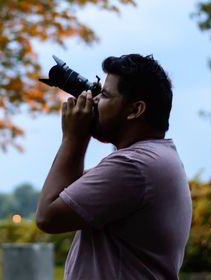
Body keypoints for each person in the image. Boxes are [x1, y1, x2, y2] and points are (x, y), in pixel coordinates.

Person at [36, 54, 192, 280]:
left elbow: (48, 216)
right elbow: (68, 191)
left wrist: (74, 138)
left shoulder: (135, 166)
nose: (95, 101)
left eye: (105, 95)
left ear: (135, 110)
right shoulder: (155, 158)